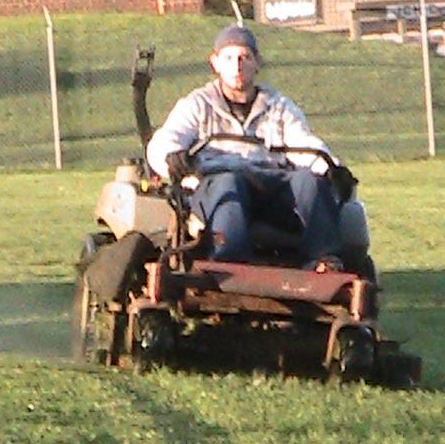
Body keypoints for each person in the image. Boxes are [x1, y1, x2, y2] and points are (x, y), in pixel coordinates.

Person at [146, 24, 359, 267]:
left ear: (257, 62)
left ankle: (324, 261)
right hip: (217, 185)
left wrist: (330, 168)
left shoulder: (278, 106)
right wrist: (171, 156)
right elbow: (168, 138)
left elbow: (304, 144)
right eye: (229, 58)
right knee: (229, 182)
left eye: (245, 57)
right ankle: (230, 261)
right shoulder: (197, 104)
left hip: (270, 186)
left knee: (308, 181)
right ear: (215, 63)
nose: (237, 65)